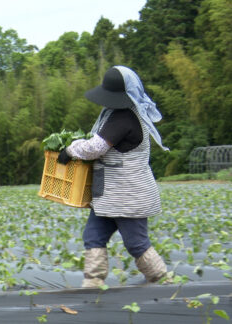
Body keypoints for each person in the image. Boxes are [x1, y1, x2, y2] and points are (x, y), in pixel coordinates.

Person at [58, 65, 169, 287]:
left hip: (129, 194)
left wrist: (70, 150)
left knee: (136, 243)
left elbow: (96, 147)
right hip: (108, 195)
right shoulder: (115, 114)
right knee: (93, 236)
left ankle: (165, 285)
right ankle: (92, 285)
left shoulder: (125, 118)